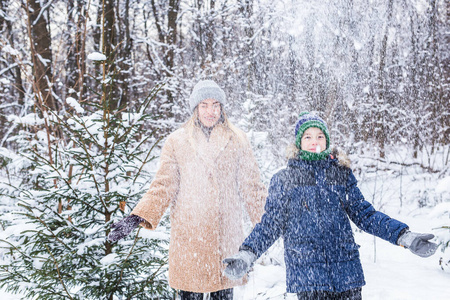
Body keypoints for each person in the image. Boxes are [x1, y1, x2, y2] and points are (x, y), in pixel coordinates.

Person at [223, 112, 438, 300]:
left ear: (326, 141)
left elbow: (366, 215)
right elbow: (270, 226)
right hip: (309, 278)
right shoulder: (284, 180)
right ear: (299, 143)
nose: (314, 141)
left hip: (347, 275)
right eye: (308, 137)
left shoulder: (340, 174)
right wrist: (247, 254)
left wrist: (404, 236)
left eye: (319, 136)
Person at [107, 80, 267, 299]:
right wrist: (137, 217)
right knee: (190, 292)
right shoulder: (177, 141)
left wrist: (271, 225)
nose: (210, 111)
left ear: (222, 108)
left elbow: (253, 188)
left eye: (215, 105)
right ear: (195, 108)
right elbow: (163, 185)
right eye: (204, 105)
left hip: (225, 237)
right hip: (191, 238)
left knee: (223, 292)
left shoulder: (237, 140)